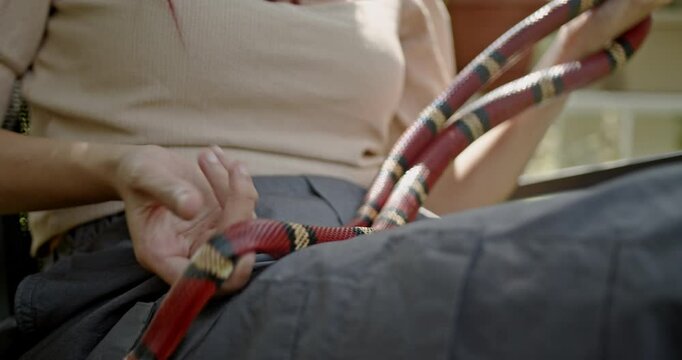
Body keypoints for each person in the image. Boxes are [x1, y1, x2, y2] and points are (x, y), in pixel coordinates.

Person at [0, 0, 676, 359]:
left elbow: (440, 195)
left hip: (368, 254)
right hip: (154, 290)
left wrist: (570, 54)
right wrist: (116, 166)